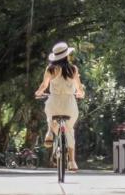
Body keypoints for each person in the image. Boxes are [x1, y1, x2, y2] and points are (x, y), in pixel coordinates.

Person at [34, 41, 85, 172]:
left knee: (50, 115)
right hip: (69, 104)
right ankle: (72, 162)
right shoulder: (73, 69)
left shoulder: (51, 69)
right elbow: (79, 87)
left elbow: (44, 86)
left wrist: (39, 92)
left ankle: (50, 132)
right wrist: (80, 93)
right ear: (67, 55)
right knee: (69, 130)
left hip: (54, 102)